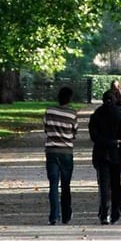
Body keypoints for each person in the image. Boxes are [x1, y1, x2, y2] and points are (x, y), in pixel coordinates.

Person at [89, 89, 121, 224]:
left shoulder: (96, 115)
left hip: (100, 153)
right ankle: (115, 212)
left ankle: (104, 213)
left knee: (104, 185)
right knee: (115, 184)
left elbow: (94, 137)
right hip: (116, 155)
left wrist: (108, 142)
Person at [43, 86, 79, 225]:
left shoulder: (49, 111)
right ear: (69, 99)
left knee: (53, 184)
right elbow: (74, 133)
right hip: (66, 152)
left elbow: (46, 129)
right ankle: (66, 215)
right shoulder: (72, 114)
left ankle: (54, 216)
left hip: (52, 151)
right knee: (65, 185)